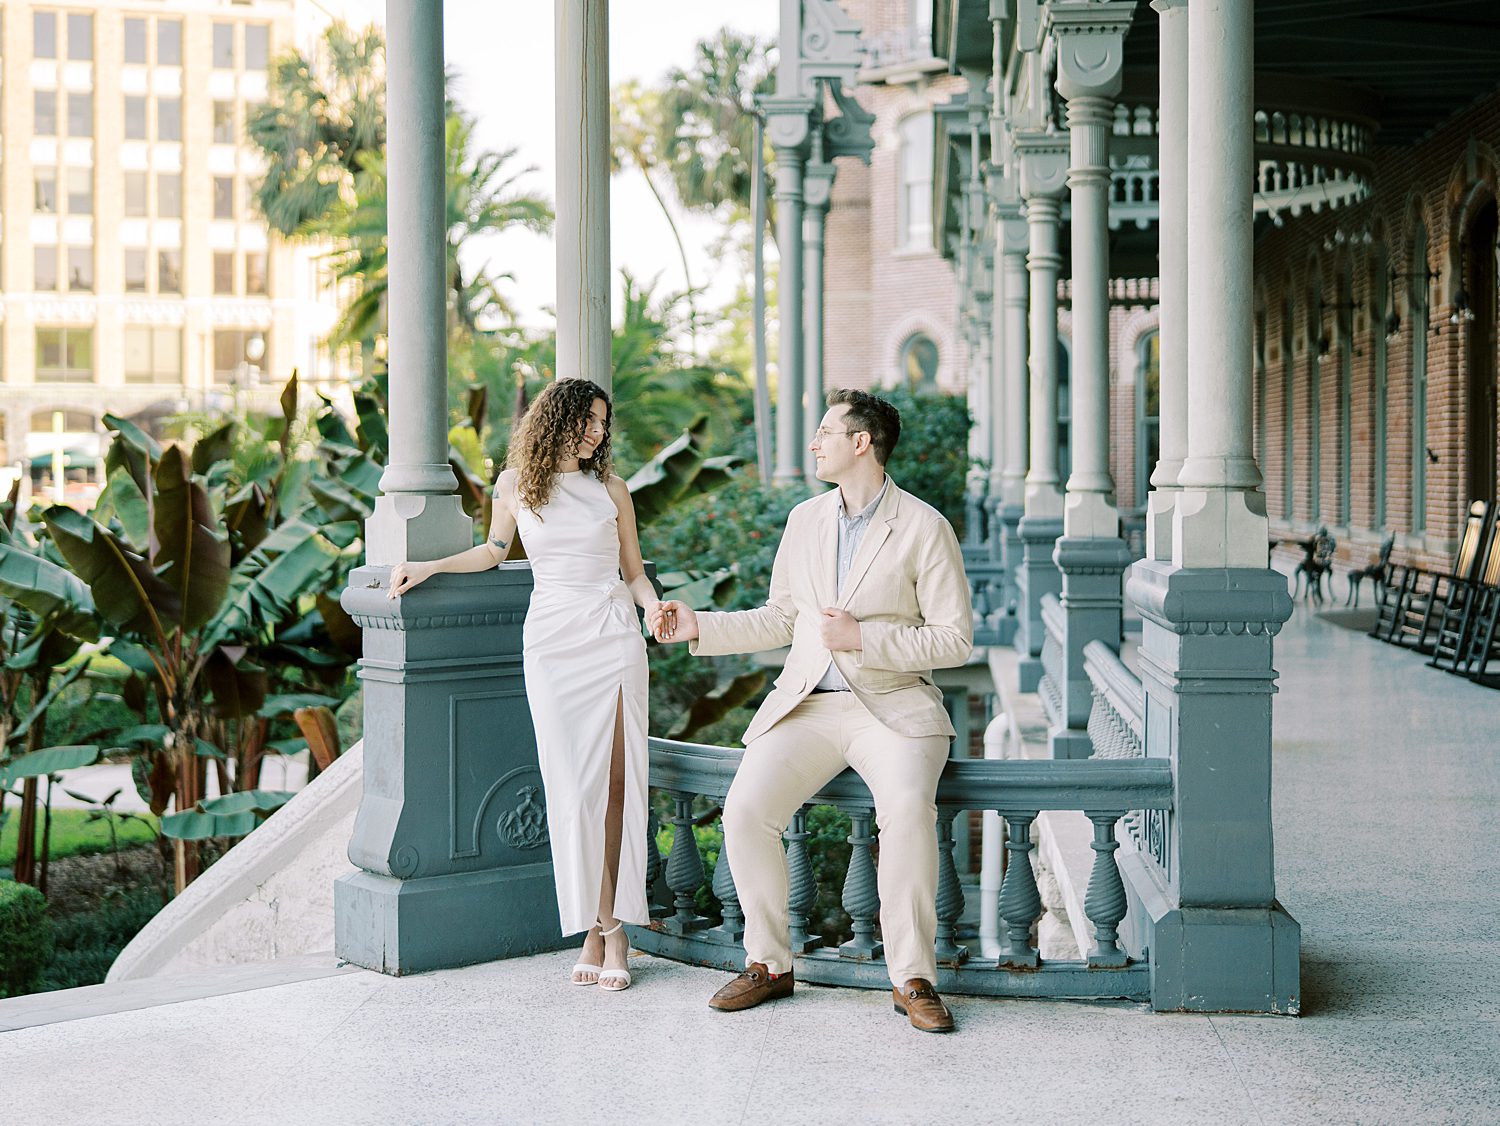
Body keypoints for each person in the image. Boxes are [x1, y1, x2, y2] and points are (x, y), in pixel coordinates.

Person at [655, 388, 974, 1032]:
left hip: (893, 705)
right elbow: (780, 618)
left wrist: (866, 639)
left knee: (908, 812)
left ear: (862, 443)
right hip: (807, 705)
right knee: (745, 811)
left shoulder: (924, 526)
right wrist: (700, 625)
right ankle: (769, 965)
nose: (815, 441)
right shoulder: (805, 520)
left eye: (826, 431)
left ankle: (913, 977)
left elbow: (955, 639)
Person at [388, 378, 660, 992]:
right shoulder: (515, 485)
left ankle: (612, 930)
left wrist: (653, 608)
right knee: (571, 786)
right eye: (586, 419)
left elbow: (636, 574)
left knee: (617, 784)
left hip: (613, 635)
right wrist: (430, 567)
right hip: (553, 641)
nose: (595, 432)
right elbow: (493, 550)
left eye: (601, 423)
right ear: (556, 419)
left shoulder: (612, 490)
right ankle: (592, 922)